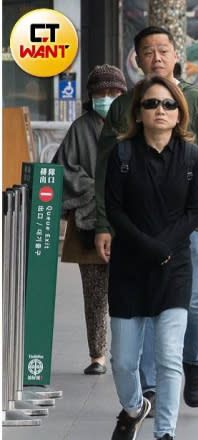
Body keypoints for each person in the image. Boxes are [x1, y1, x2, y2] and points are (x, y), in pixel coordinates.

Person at [95, 26, 198, 411]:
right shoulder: (125, 106)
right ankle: (150, 386)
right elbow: (104, 169)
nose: (156, 57)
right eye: (148, 51)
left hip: (186, 221)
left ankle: (194, 362)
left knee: (192, 301)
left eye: (163, 50)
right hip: (135, 224)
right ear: (136, 59)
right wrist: (104, 222)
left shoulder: (197, 101)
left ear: (176, 55)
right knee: (148, 304)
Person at [105, 76, 198, 440]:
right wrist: (148, 246)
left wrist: (164, 246)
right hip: (130, 267)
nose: (159, 110)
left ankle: (165, 434)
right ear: (139, 112)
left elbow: (194, 211)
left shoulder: (191, 156)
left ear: (179, 112)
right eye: (151, 104)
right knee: (124, 362)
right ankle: (133, 408)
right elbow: (114, 209)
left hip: (173, 267)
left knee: (168, 357)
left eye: (167, 104)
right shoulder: (123, 154)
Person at [55, 64, 126, 376]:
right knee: (95, 294)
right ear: (90, 95)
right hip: (88, 222)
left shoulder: (133, 125)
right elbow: (63, 169)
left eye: (113, 92)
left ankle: (124, 352)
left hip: (127, 223)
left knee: (125, 292)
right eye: (101, 92)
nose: (107, 97)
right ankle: (97, 354)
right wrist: (94, 188)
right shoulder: (80, 128)